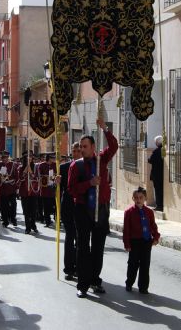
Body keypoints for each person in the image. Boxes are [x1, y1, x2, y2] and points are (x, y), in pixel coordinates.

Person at [68, 118, 118, 298]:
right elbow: (71, 189)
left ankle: (95, 280)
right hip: (82, 210)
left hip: (101, 209)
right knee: (83, 247)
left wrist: (105, 129)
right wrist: (89, 183)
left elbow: (113, 147)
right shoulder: (76, 165)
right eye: (80, 146)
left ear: (93, 146)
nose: (82, 149)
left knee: (98, 248)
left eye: (85, 146)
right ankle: (82, 284)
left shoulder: (101, 160)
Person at [123, 187, 160, 294]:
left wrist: (156, 237)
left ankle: (143, 287)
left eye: (141, 197)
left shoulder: (149, 212)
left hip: (146, 241)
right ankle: (129, 283)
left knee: (145, 265)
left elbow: (153, 226)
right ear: (133, 199)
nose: (138, 200)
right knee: (133, 264)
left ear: (145, 198)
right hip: (134, 242)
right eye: (136, 198)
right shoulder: (129, 212)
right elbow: (126, 230)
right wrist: (127, 244)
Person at [60, 143, 81, 280]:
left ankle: (80, 267)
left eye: (79, 151)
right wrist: (56, 183)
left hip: (81, 206)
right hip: (67, 206)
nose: (76, 153)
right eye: (74, 151)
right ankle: (68, 268)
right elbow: (57, 189)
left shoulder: (87, 166)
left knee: (81, 239)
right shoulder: (63, 167)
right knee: (70, 236)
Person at [0, 151, 18, 227]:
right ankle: (5, 221)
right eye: (3, 157)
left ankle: (13, 219)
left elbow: (16, 176)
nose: (5, 159)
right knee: (4, 206)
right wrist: (0, 181)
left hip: (11, 187)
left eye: (6, 157)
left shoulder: (13, 165)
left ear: (8, 157)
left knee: (13, 205)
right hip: (3, 188)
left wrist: (16, 186)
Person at [18, 152, 39, 234]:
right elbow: (19, 179)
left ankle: (33, 225)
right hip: (24, 192)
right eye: (27, 157)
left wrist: (31, 173)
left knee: (33, 211)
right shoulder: (20, 167)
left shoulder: (36, 167)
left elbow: (37, 178)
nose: (29, 159)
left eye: (30, 157)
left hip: (33, 191)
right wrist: (25, 171)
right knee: (26, 211)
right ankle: (27, 228)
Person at [38, 153, 57, 227]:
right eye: (53, 158)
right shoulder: (42, 165)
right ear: (49, 158)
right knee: (46, 206)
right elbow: (40, 175)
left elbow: (57, 173)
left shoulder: (55, 165)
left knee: (52, 205)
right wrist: (47, 177)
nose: (54, 159)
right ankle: (47, 221)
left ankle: (54, 218)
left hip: (52, 188)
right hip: (45, 188)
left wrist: (53, 177)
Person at [148, 135, 164, 211]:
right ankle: (162, 204)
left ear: (157, 143)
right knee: (161, 190)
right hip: (163, 174)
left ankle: (159, 205)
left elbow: (150, 160)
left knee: (157, 190)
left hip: (157, 175)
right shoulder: (164, 150)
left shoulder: (156, 151)